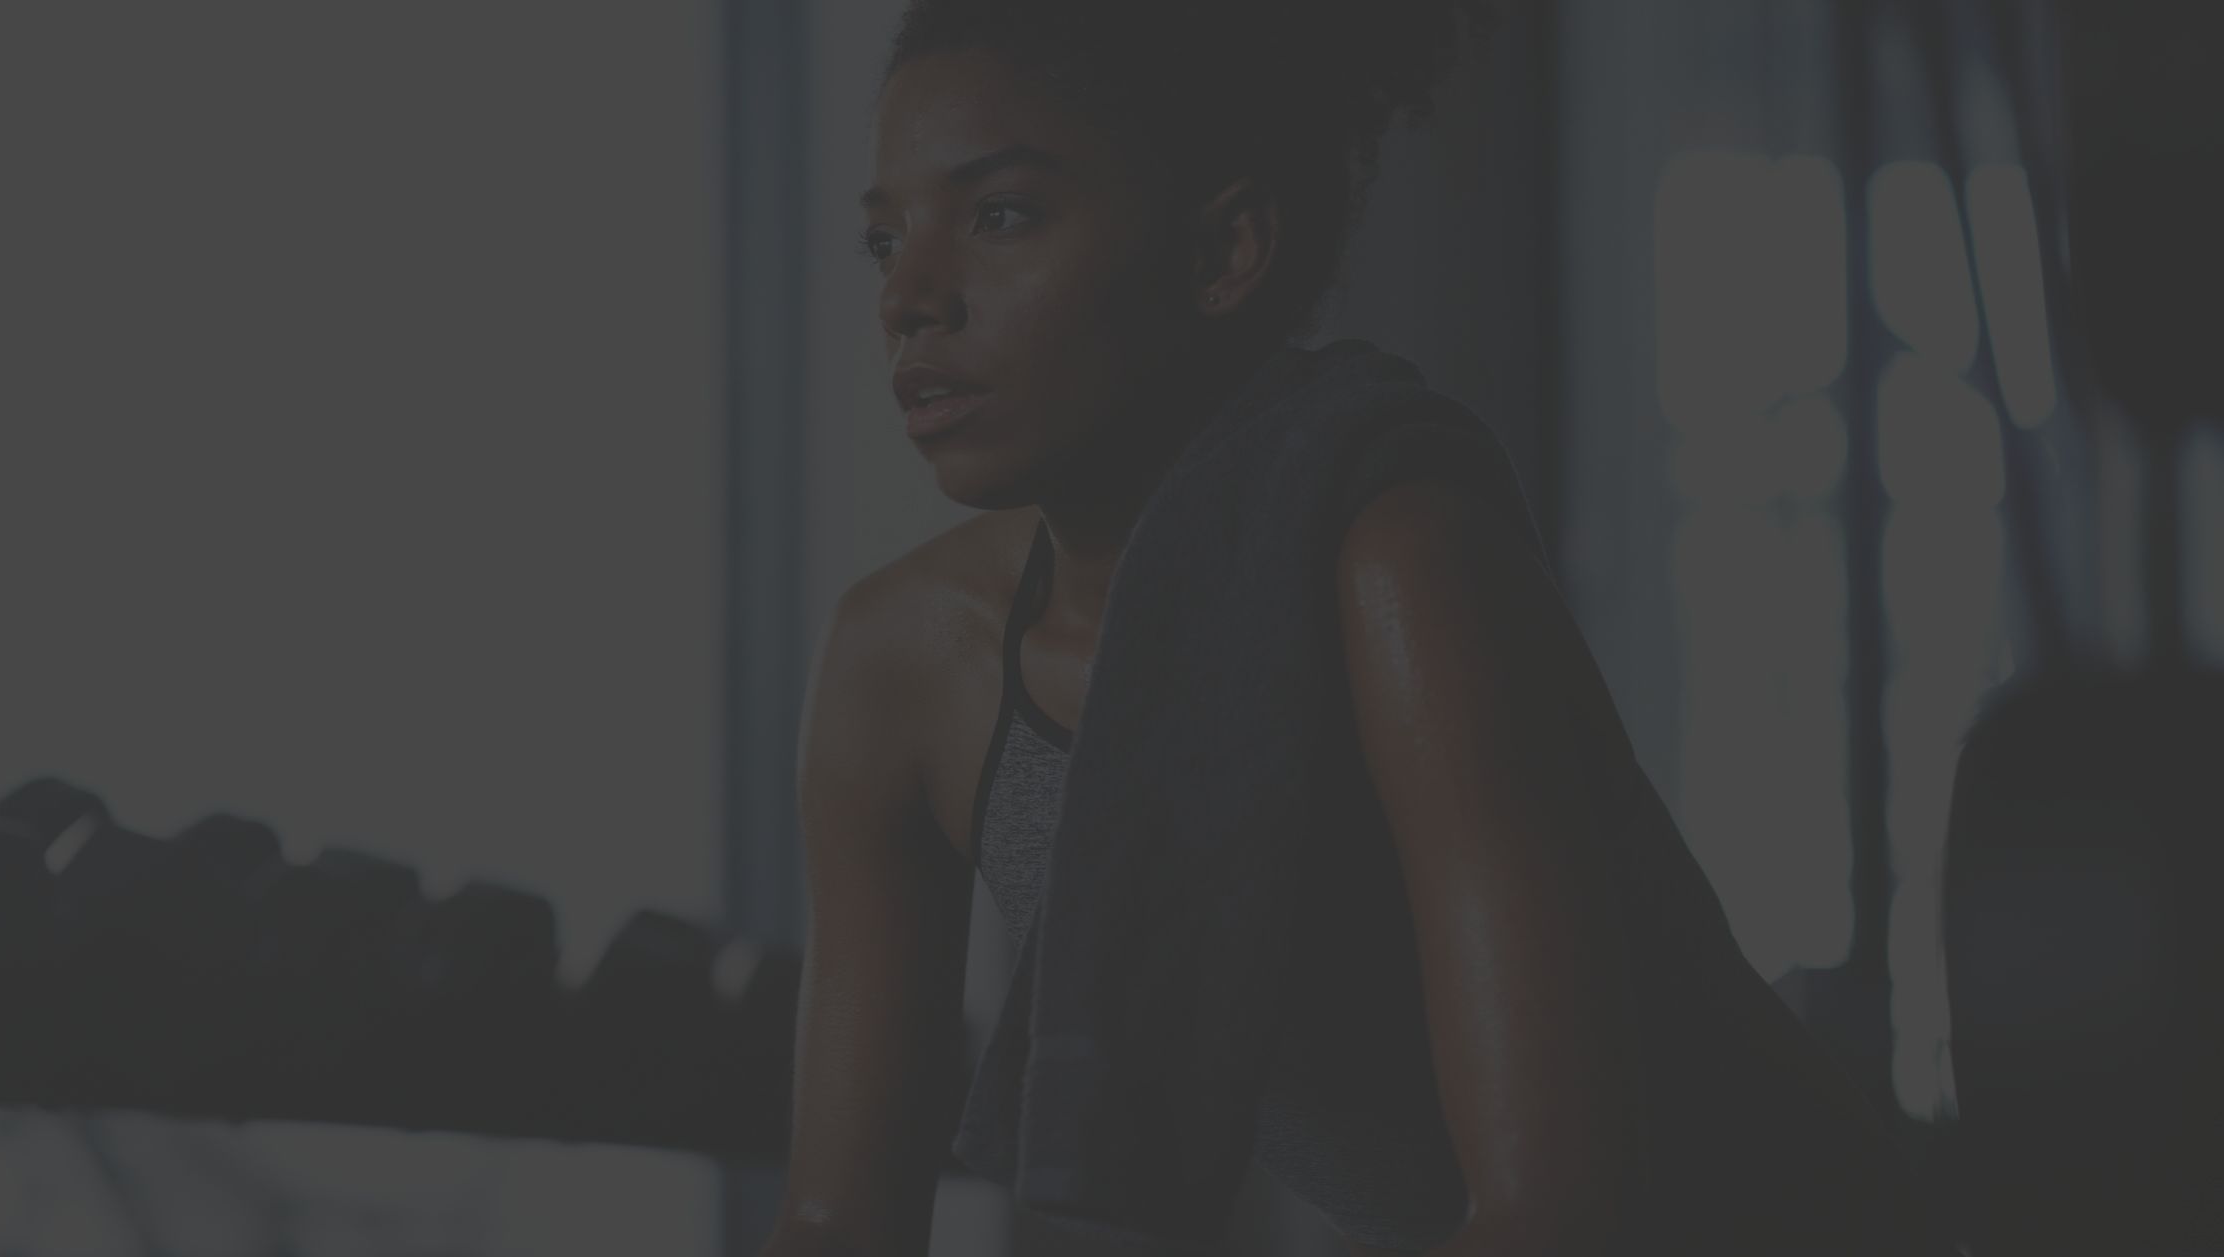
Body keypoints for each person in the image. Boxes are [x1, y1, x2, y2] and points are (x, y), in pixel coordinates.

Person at [762, 1, 1957, 1254]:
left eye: (1000, 216)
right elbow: (836, 1226)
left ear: (1222, 250)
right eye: (885, 237)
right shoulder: (898, 666)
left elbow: (1552, 1216)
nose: (908, 297)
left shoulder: (1394, 563)